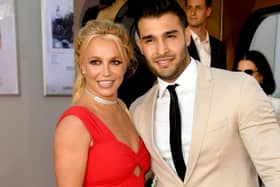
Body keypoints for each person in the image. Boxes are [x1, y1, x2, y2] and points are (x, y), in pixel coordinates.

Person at [129, 0, 280, 186]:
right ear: (140, 45)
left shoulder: (240, 88)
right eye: (150, 40)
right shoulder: (138, 110)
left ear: (186, 36)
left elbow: (275, 168)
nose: (162, 50)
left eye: (170, 36)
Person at [53, 20, 150, 187]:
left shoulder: (123, 109)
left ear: (125, 65)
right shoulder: (75, 124)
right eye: (95, 62)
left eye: (115, 62)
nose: (106, 72)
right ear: (82, 66)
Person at [234, 50, 280, 121]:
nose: (242, 76)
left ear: (261, 76)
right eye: (238, 72)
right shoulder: (230, 103)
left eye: (248, 72)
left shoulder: (276, 106)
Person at [185, 0, 227, 69]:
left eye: (198, 8)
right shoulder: (180, 42)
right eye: (189, 8)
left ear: (208, 11)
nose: (193, 13)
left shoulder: (219, 46)